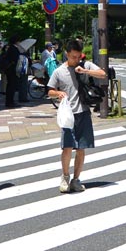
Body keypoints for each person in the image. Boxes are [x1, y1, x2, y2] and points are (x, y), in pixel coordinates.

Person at [47, 38, 106, 193]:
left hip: (84, 112)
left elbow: (102, 73)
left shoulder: (85, 65)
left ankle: (76, 179)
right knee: (67, 147)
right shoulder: (59, 71)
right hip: (68, 115)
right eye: (73, 56)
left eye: (78, 56)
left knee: (81, 148)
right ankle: (65, 177)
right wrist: (58, 93)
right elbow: (49, 90)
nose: (75, 59)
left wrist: (85, 71)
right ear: (67, 54)